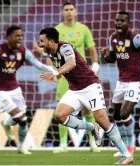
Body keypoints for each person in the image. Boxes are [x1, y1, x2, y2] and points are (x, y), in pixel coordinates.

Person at [39, 27, 133, 164]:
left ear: (51, 41)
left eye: (42, 41)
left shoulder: (65, 47)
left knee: (102, 120)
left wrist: (54, 73)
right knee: (59, 115)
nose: (40, 44)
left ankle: (126, 154)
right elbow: (64, 71)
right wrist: (55, 77)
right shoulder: (50, 52)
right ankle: (91, 127)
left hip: (90, 86)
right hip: (75, 90)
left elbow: (71, 63)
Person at [0, 25, 56, 154]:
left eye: (21, 36)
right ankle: (9, 128)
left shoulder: (23, 51)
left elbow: (39, 65)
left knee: (22, 120)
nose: (20, 39)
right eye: (17, 36)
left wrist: (55, 71)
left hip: (15, 89)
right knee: (22, 119)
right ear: (9, 37)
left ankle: (19, 144)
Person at [101, 11, 140, 157]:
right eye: (117, 20)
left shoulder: (136, 38)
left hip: (136, 81)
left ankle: (129, 145)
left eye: (122, 21)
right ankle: (123, 146)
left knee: (124, 113)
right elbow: (112, 59)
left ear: (128, 23)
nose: (119, 23)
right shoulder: (113, 38)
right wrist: (105, 56)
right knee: (115, 115)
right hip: (122, 82)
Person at [49, 2, 101, 152]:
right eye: (66, 10)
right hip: (64, 75)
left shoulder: (83, 29)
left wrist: (96, 64)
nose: (69, 12)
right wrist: (52, 70)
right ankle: (63, 144)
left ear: (76, 12)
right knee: (61, 109)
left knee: (87, 109)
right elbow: (50, 52)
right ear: (62, 12)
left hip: (81, 76)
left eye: (71, 9)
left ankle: (92, 143)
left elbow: (91, 49)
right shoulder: (57, 30)